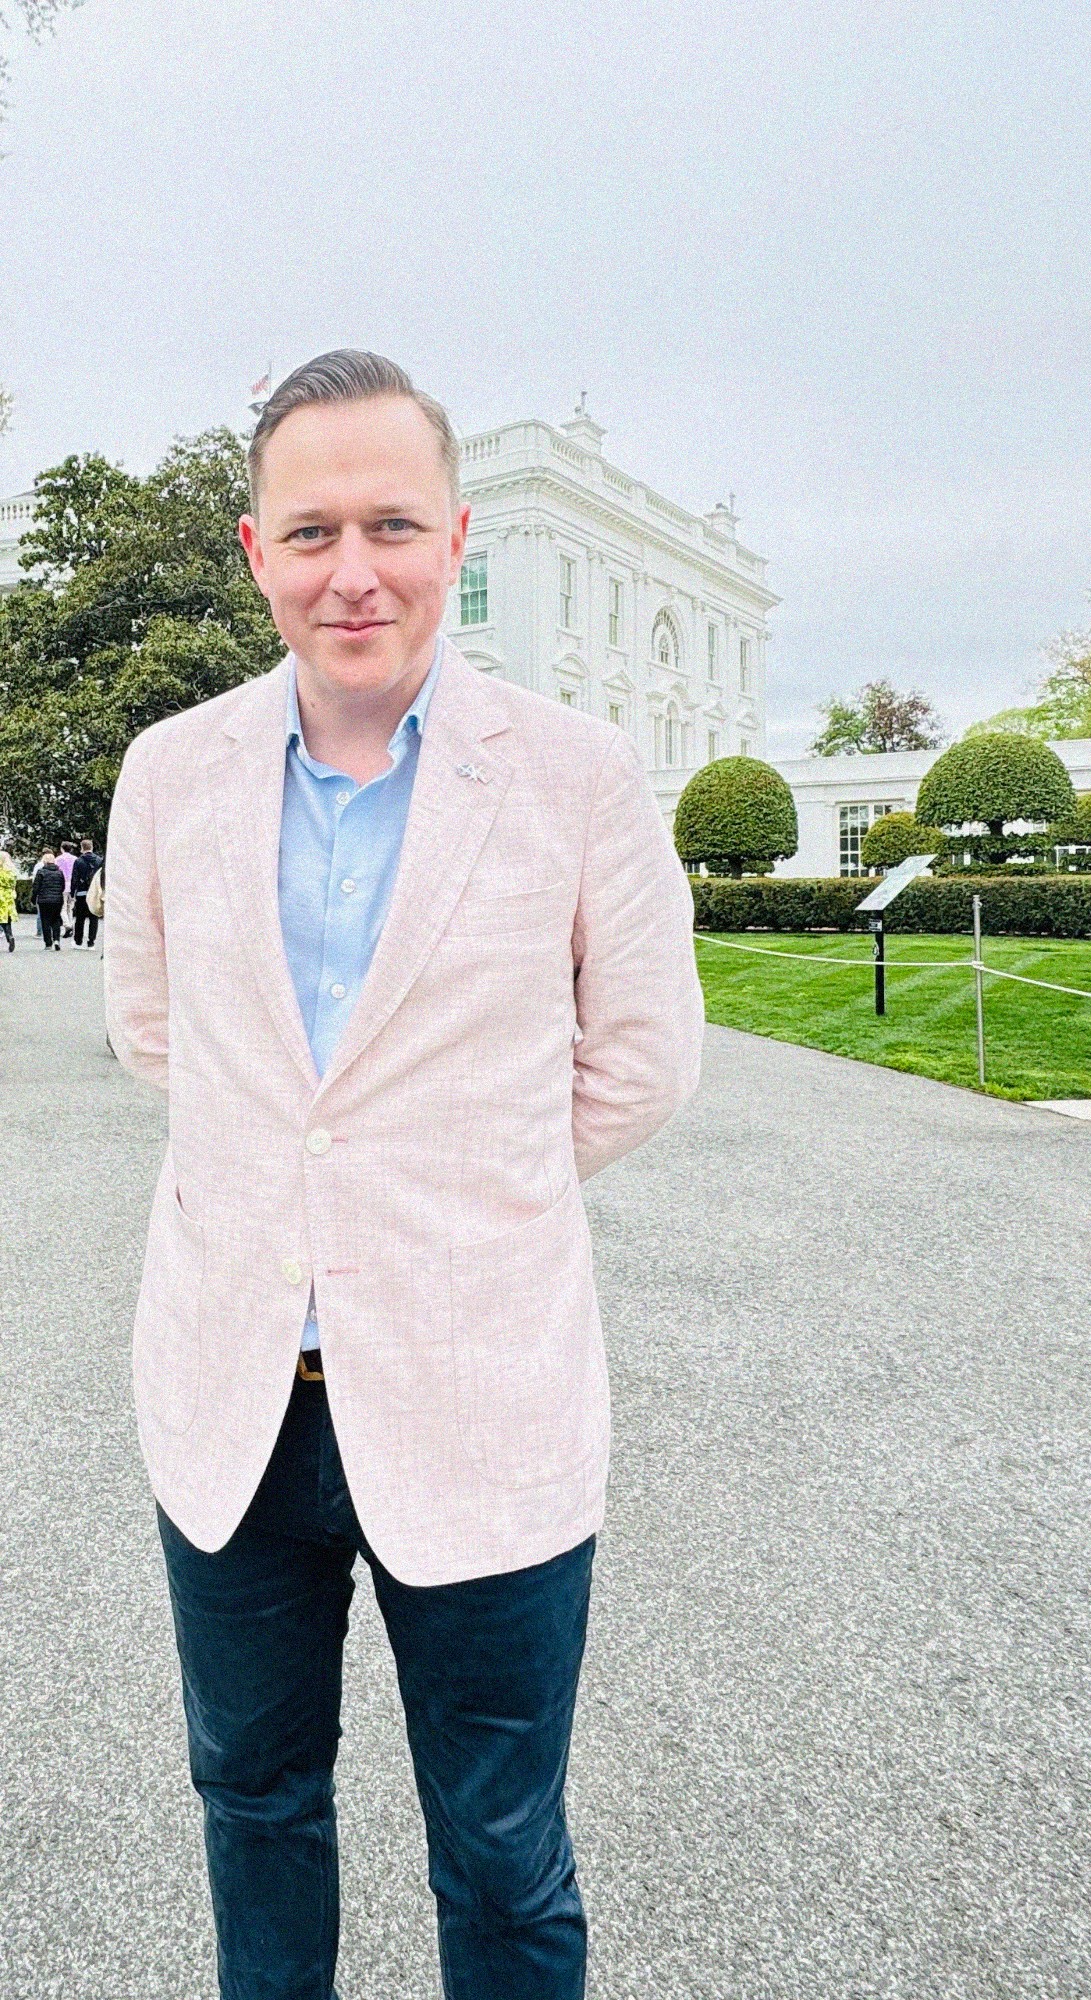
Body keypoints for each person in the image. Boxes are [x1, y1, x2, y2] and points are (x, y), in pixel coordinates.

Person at [105, 350, 703, 2000]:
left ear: (452, 536)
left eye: (388, 525)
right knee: (253, 1806)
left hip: (481, 1390)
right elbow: (159, 1034)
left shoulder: (575, 773)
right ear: (254, 553)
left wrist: (444, 1190)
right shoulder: (170, 773)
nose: (350, 570)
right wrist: (315, 1188)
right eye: (310, 533)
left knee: (502, 1850)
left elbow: (642, 1059)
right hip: (234, 1404)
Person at [71, 837, 103, 946]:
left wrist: (72, 893)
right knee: (94, 918)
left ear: (82, 848)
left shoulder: (78, 861)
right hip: (95, 893)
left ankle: (78, 941)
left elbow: (74, 879)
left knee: (80, 918)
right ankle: (91, 942)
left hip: (82, 893)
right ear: (92, 847)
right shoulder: (99, 860)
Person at [32, 850, 66, 948]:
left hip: (44, 900)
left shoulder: (41, 872)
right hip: (57, 900)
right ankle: (56, 940)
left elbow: (36, 887)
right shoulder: (60, 872)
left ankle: (48, 943)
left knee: (45, 920)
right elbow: (62, 887)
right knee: (56, 919)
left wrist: (33, 899)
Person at [0, 851, 16, 952]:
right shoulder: (11, 872)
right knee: (7, 920)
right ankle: (10, 936)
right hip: (9, 897)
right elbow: (14, 885)